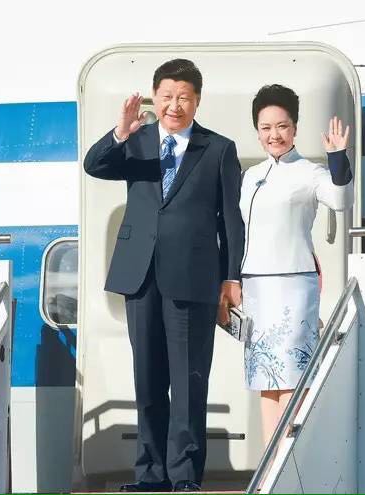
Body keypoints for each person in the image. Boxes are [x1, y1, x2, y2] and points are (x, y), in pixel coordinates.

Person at [83, 59, 244, 492]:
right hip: (140, 275)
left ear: (197, 101)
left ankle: (185, 475)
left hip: (193, 277)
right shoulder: (136, 141)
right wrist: (121, 130)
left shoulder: (218, 148)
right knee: (148, 378)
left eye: (184, 98)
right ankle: (150, 474)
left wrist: (231, 277)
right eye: (167, 97)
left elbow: (231, 220)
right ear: (156, 97)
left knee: (189, 381)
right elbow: (93, 165)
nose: (175, 105)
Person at [237, 84, 354, 448]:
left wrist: (337, 157)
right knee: (265, 381)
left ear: (295, 128)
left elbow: (341, 199)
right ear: (257, 130)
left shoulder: (310, 172)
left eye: (282, 126)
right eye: (266, 127)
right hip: (256, 287)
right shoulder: (251, 175)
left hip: (292, 285)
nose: (274, 134)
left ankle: (289, 462)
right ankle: (269, 463)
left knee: (291, 378)